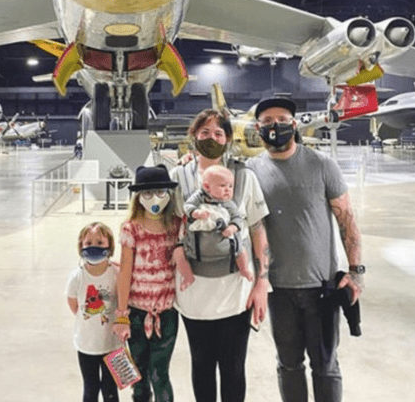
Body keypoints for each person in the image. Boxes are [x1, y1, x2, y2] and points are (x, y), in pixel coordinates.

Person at [247, 97, 364, 402]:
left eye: (282, 119)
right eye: (268, 121)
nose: (276, 126)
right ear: (259, 128)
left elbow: (347, 220)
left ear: (294, 125)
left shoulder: (322, 164)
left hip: (321, 287)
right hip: (278, 288)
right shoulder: (250, 170)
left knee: (325, 366)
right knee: (289, 365)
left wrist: (356, 272)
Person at [171, 108, 270, 402]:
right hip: (194, 293)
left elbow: (257, 228)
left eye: (218, 133)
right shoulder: (178, 176)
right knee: (201, 366)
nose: (211, 138)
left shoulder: (243, 177)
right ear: (194, 137)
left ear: (228, 138)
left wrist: (262, 282)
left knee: (233, 368)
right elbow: (170, 228)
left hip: (235, 292)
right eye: (204, 133)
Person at [113, 165, 185, 402]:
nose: (155, 199)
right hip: (136, 314)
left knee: (159, 373)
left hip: (166, 315)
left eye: (160, 192)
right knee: (139, 376)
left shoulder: (176, 226)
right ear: (138, 197)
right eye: (147, 194)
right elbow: (125, 272)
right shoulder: (131, 228)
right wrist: (122, 314)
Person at [66, 222, 120, 402]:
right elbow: (74, 305)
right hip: (86, 345)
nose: (94, 246)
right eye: (88, 243)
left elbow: (122, 300)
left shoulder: (116, 273)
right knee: (90, 388)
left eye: (100, 242)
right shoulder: (77, 277)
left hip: (113, 344)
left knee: (110, 389)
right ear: (80, 246)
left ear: (110, 246)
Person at [184, 165, 253, 281]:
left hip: (226, 243)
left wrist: (232, 227)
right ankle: (187, 276)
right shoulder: (199, 196)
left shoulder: (228, 203)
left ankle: (244, 269)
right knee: (178, 252)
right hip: (198, 244)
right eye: (223, 186)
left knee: (242, 250)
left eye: (231, 186)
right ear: (206, 187)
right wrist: (196, 212)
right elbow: (187, 205)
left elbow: (237, 218)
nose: (228, 189)